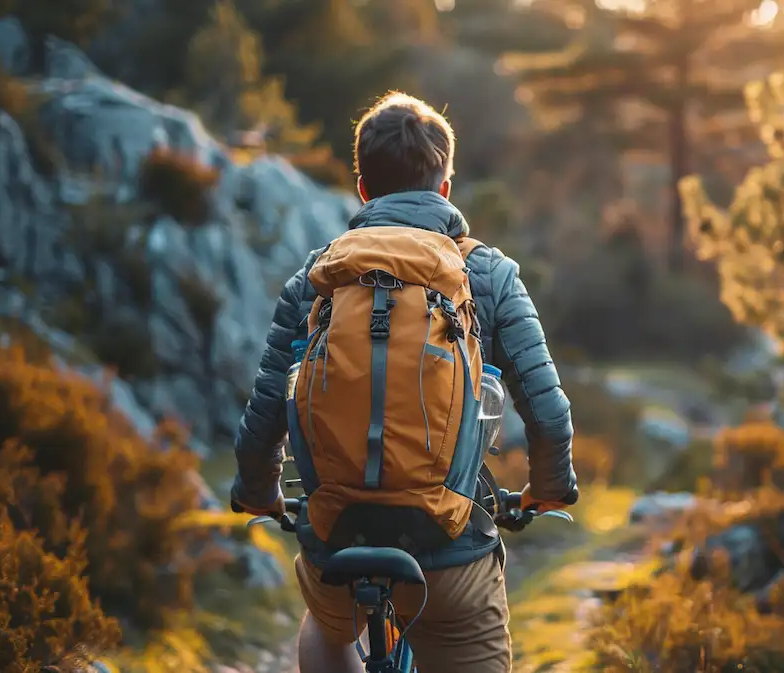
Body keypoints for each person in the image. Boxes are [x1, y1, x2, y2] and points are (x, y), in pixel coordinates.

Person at [229, 91, 578, 673]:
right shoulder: (487, 275)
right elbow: (548, 415)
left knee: (325, 625)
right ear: (444, 188)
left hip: (337, 544)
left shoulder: (317, 278)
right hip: (451, 555)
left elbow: (266, 414)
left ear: (363, 189)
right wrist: (548, 488)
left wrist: (259, 491)